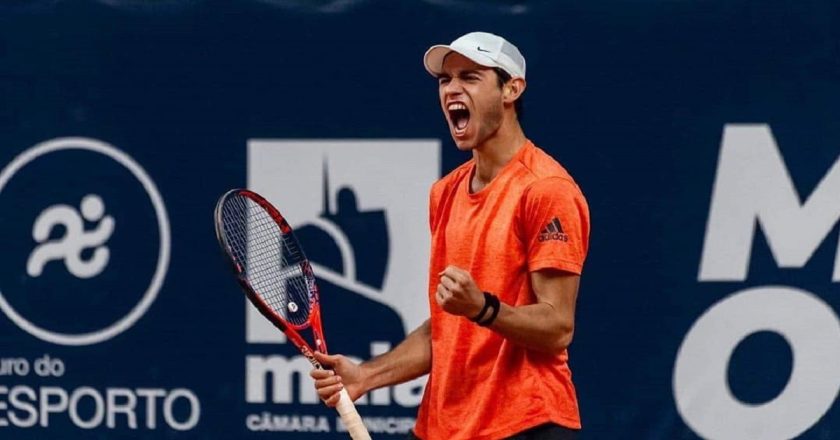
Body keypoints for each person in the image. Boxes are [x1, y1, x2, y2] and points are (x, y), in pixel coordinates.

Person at [311, 31, 590, 440]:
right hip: (443, 426)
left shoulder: (547, 189)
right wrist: (365, 376)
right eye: (446, 80)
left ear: (511, 88)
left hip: (526, 424)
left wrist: (483, 308)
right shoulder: (445, 192)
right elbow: (447, 325)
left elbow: (558, 326)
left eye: (470, 77)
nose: (452, 89)